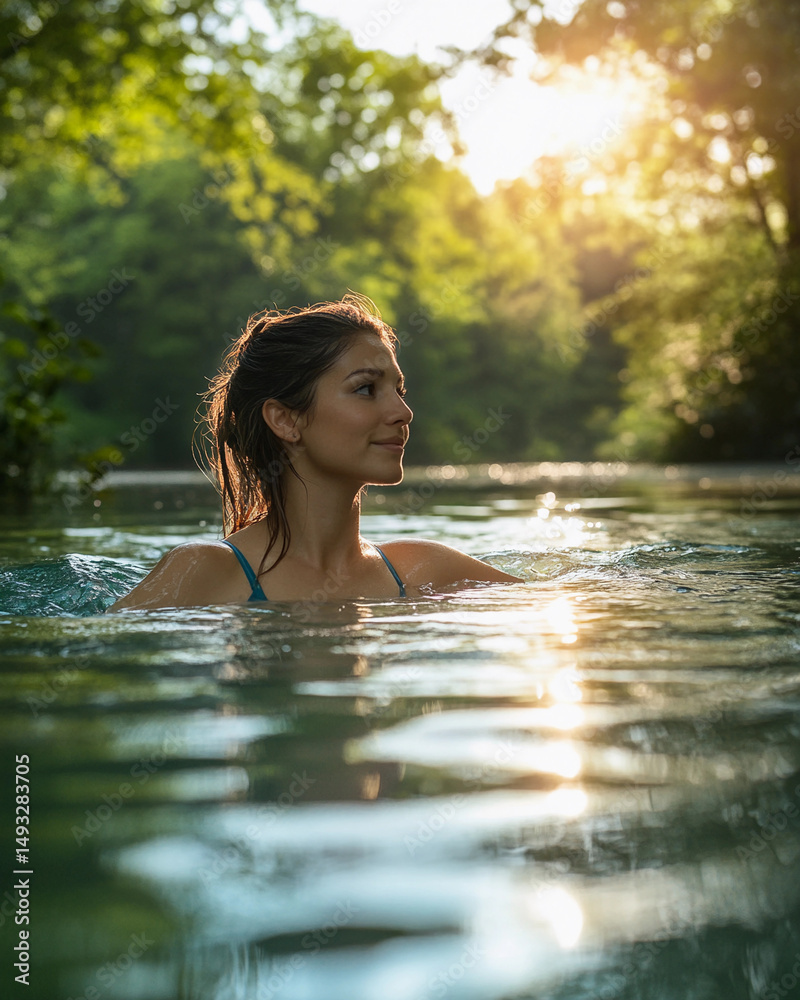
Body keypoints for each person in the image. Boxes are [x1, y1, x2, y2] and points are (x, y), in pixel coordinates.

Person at [108, 296, 521, 610]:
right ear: (285, 420)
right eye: (365, 388)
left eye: (399, 390)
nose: (403, 411)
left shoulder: (425, 570)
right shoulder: (203, 573)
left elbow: (569, 609)